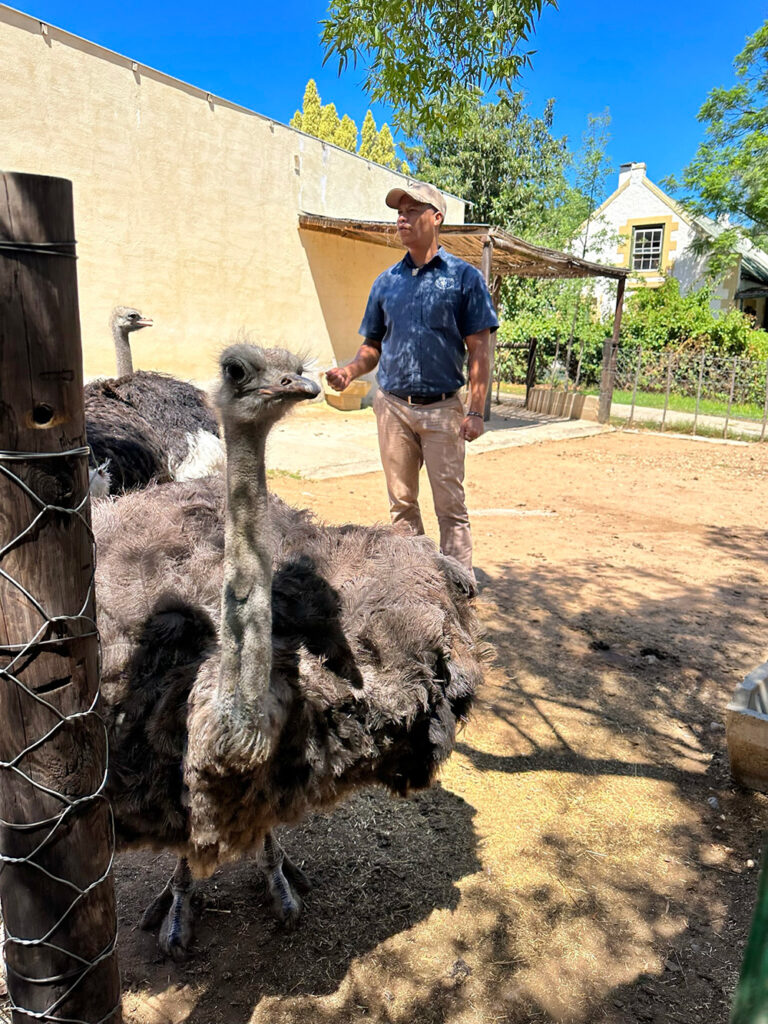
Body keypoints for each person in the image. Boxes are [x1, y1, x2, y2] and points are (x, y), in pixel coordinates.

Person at [325, 180, 498, 577]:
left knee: (450, 506)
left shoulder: (464, 279)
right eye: (398, 212)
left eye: (412, 210)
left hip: (443, 410)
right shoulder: (386, 283)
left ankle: (458, 587)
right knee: (402, 504)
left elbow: (479, 350)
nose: (401, 217)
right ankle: (415, 582)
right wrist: (349, 371)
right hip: (393, 409)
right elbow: (372, 348)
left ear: (436, 218)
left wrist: (475, 411)